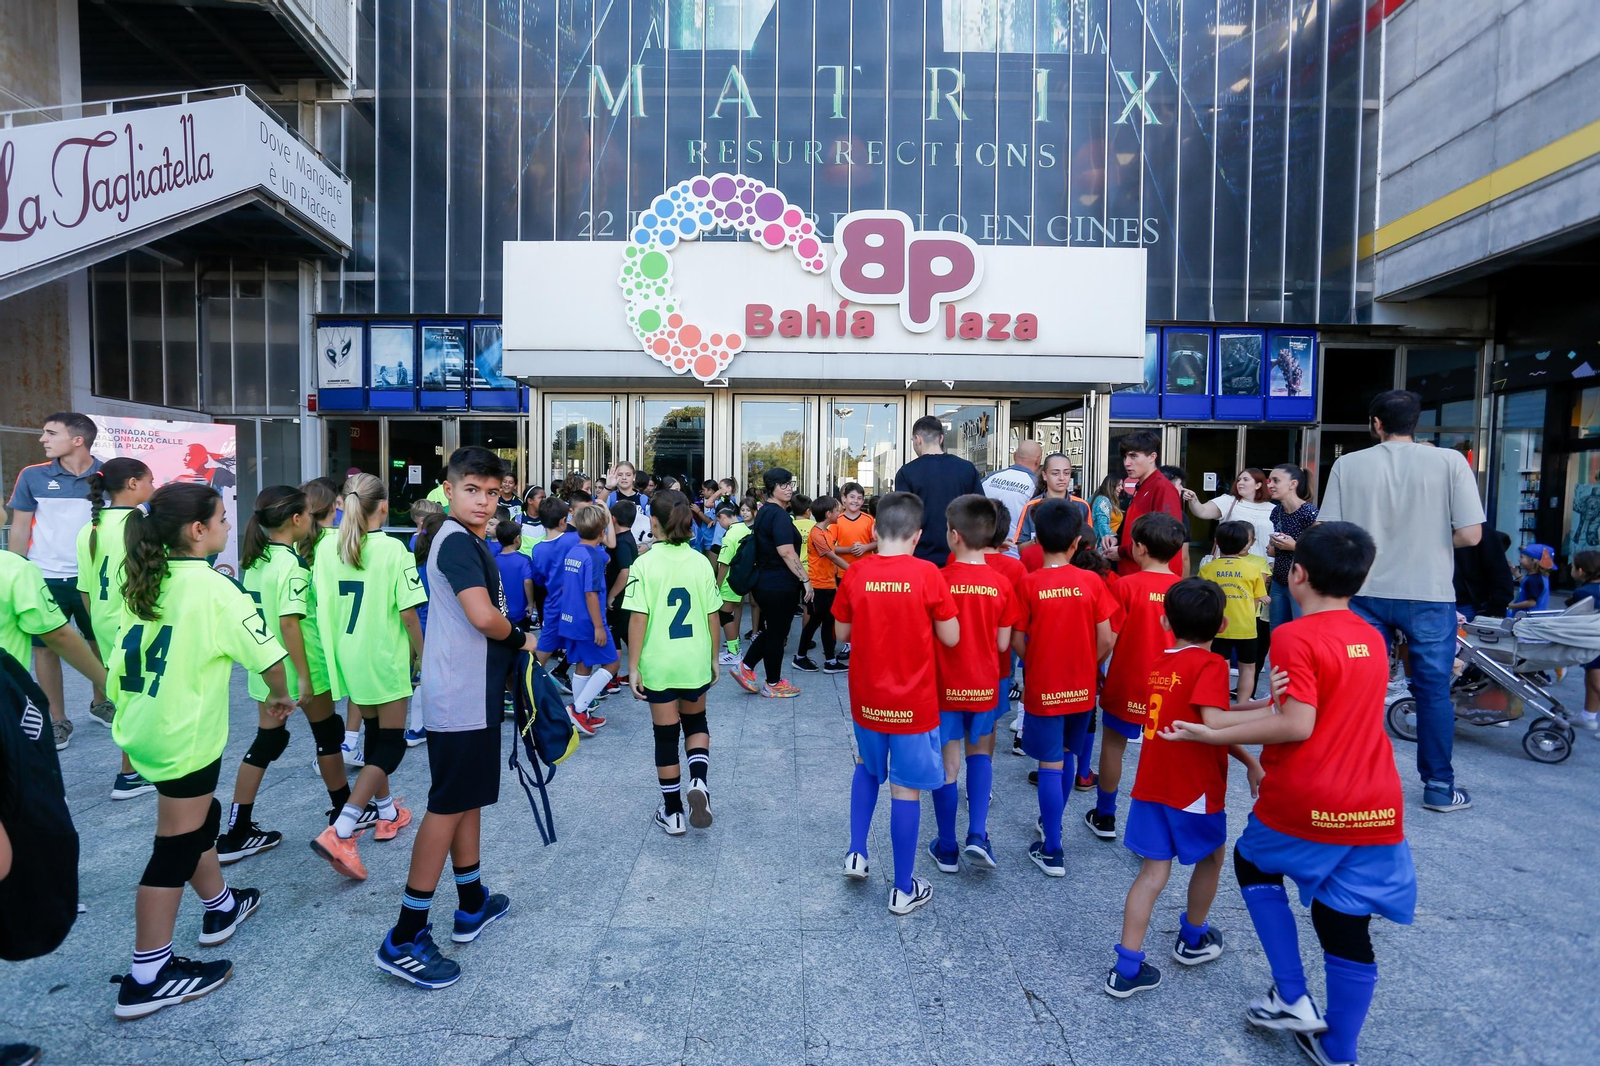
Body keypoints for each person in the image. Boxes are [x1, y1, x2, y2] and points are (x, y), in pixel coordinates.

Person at [1163, 522, 1416, 1066]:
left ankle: (1292, 993)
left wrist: (1216, 734)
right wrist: (1252, 711)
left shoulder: (1295, 636)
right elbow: (1320, 709)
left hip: (1310, 794)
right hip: (1375, 799)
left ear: (1296, 574)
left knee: (1252, 862)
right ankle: (1339, 1048)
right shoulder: (1369, 635)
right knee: (1344, 918)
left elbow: (1298, 724)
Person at [108, 483, 292, 1018]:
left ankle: (221, 905)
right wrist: (281, 696)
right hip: (183, 733)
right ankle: (149, 972)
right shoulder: (215, 589)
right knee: (176, 844)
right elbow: (268, 657)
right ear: (197, 531)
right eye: (221, 519)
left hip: (146, 724)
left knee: (197, 819)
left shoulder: (146, 576)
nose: (228, 527)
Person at [375, 446, 527, 990]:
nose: (484, 501)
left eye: (492, 492)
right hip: (460, 694)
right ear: (449, 487)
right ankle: (405, 933)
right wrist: (524, 637)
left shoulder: (462, 537)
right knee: (447, 804)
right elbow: (485, 617)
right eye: (472, 490)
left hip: (471, 692)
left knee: (468, 798)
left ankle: (471, 900)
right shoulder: (457, 541)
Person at [1318, 389, 1484, 814]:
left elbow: (1330, 532)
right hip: (1428, 593)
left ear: (1376, 423)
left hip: (1362, 591)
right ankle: (1439, 788)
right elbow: (1470, 535)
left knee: (1356, 688)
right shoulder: (1449, 462)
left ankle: (1350, 784)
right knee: (1432, 693)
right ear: (1418, 422)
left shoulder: (1348, 464)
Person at [1105, 578, 1265, 998]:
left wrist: (1253, 735)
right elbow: (1213, 723)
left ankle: (1126, 967)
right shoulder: (1211, 667)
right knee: (1211, 857)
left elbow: (1205, 719)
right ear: (1224, 624)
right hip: (1193, 789)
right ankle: (1193, 938)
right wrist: (1266, 725)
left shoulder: (1160, 665)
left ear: (1164, 621)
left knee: (1152, 873)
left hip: (1151, 785)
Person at [834, 492, 959, 914]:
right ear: (918, 535)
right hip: (915, 702)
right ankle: (903, 888)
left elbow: (840, 635)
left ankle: (856, 852)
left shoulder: (856, 573)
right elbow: (951, 637)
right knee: (906, 789)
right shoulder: (928, 574)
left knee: (867, 769)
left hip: (867, 698)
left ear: (873, 530)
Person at [216, 486, 350, 865]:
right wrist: (305, 678)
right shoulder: (292, 565)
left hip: (266, 668)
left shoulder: (255, 560)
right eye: (308, 513)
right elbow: (290, 622)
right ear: (296, 519)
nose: (312, 519)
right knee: (328, 736)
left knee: (266, 743)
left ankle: (238, 829)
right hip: (298, 667)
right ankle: (345, 813)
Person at [308, 474, 427, 880]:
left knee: (375, 738)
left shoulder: (327, 546)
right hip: (383, 656)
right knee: (391, 746)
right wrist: (424, 656)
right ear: (383, 507)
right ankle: (342, 829)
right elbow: (409, 613)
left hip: (347, 655)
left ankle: (388, 810)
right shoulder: (393, 549)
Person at [1014, 499, 1116, 877]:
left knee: (1049, 763)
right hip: (1082, 688)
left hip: (1045, 687)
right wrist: (1088, 663)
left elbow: (1017, 638)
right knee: (1071, 755)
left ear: (1037, 540)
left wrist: (1036, 661)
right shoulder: (1091, 581)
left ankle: (1053, 848)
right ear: (1077, 543)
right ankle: (1051, 825)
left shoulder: (1028, 582)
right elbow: (1107, 637)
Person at [928, 495, 1021, 874]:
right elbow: (1003, 645)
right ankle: (978, 835)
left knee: (948, 766)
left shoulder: (938, 579)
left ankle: (946, 847)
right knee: (980, 756)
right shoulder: (1002, 583)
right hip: (985, 684)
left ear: (953, 536)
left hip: (944, 686)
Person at [623, 490, 722, 836]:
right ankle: (699, 779)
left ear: (653, 523)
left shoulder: (643, 563)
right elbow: (713, 616)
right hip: (693, 656)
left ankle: (674, 813)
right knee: (696, 722)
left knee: (665, 737)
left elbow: (638, 619)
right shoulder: (700, 563)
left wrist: (633, 667)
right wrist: (713, 657)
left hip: (659, 661)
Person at [6, 412, 107, 751]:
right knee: (44, 649)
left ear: (78, 439)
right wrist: (20, 573)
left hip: (93, 579)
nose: (42, 439)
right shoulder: (32, 476)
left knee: (100, 642)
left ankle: (102, 703)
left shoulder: (109, 474)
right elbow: (19, 528)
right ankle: (57, 719)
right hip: (43, 577)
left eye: (51, 433)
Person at [1088, 512, 1187, 841]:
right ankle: (1153, 826)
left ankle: (1105, 816)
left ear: (1140, 548)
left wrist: (1094, 666)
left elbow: (1109, 636)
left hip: (1128, 678)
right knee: (1161, 754)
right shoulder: (1183, 589)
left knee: (1113, 746)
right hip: (1171, 687)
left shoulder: (1125, 586)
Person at [75, 458, 157, 798]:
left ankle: (135, 768)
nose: (154, 487)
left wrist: (100, 622)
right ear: (134, 484)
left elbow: (84, 591)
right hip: (138, 621)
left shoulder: (90, 528)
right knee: (140, 697)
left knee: (127, 696)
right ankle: (130, 773)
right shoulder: (140, 525)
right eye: (150, 480)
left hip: (106, 622)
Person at [730, 469, 811, 699]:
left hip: (766, 582)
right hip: (778, 583)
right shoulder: (779, 515)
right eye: (782, 484)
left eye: (790, 484)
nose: (788, 488)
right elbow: (786, 551)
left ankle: (745, 667)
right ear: (771, 487)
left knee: (773, 630)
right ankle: (772, 683)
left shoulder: (766, 511)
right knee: (777, 634)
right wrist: (806, 579)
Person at [298, 477, 358, 768]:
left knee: (323, 721)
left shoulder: (295, 543)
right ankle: (347, 745)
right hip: (340, 628)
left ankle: (334, 750)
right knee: (355, 694)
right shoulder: (339, 540)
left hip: (309, 635)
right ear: (332, 506)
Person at [557, 503, 619, 734]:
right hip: (588, 621)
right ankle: (578, 708)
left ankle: (581, 712)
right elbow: (591, 593)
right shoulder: (594, 557)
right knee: (612, 662)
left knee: (584, 663)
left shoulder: (574, 551)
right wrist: (598, 627)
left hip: (570, 618)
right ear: (603, 532)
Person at [895, 416, 983, 567]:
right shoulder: (967, 468)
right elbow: (980, 513)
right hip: (961, 556)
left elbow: (903, 521)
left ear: (917, 439)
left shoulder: (906, 472)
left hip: (920, 559)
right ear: (941, 438)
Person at [1200, 522, 1270, 704]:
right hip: (1247, 627)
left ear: (1216, 541)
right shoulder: (1253, 569)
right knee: (1248, 668)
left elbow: (1203, 598)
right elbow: (1258, 599)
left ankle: (1220, 701)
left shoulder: (1207, 569)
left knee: (1220, 667)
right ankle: (1243, 705)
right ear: (1246, 544)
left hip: (1218, 626)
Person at [1115, 431, 1185, 577]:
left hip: (1152, 581)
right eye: (1125, 457)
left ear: (1152, 457)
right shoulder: (1143, 486)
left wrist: (1121, 551)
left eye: (1133, 456)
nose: (1127, 463)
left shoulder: (1162, 487)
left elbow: (1165, 537)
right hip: (1136, 575)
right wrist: (1116, 540)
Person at [796, 496, 850, 673]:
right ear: (828, 514)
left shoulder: (825, 532)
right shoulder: (817, 533)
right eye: (837, 509)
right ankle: (801, 657)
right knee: (816, 622)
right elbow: (832, 557)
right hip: (819, 586)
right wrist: (854, 570)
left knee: (827, 621)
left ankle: (830, 661)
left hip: (827, 585)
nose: (840, 511)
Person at [1265, 465, 1318, 629]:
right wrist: (1274, 547)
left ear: (1293, 484)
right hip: (1279, 581)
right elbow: (1276, 545)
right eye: (1269, 480)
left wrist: (1294, 546)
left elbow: (1319, 550)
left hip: (1301, 582)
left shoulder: (1309, 512)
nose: (1270, 485)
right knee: (1277, 631)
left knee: (1300, 630)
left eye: (1276, 481)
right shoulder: (1277, 511)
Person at [1181, 468, 1275, 560]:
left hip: (1262, 566)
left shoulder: (1273, 509)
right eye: (1239, 480)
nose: (1240, 483)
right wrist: (1193, 499)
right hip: (1229, 565)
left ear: (1258, 485)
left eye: (1245, 479)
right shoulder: (1227, 501)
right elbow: (1202, 511)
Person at [1014, 452, 1090, 548]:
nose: (1062, 478)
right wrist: (1037, 540)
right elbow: (1021, 547)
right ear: (1044, 475)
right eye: (1055, 473)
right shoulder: (1031, 506)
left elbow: (1088, 543)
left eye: (1066, 473)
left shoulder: (1082, 506)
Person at [981, 440, 1043, 556]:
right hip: (1016, 556)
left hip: (986, 554)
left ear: (1014, 456)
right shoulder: (1035, 486)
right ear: (1038, 460)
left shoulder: (989, 478)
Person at [605, 500, 641, 690]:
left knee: (613, 636)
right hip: (626, 597)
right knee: (626, 633)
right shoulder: (627, 537)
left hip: (619, 598)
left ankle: (610, 678)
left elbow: (625, 572)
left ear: (613, 519)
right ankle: (641, 671)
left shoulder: (621, 542)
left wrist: (611, 595)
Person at [713, 501, 753, 664]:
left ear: (722, 517)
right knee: (730, 614)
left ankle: (734, 653)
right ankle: (734, 650)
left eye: (718, 521)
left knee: (724, 615)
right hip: (742, 578)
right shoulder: (745, 528)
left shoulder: (730, 535)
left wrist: (717, 584)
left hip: (729, 581)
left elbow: (724, 562)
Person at [1566, 550, 1600, 733]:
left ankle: (1589, 716)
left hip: (1594, 642)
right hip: (1595, 640)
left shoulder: (1583, 592)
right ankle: (1588, 715)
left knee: (1596, 682)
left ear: (1580, 571)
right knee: (1590, 679)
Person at [1453, 520, 1513, 621]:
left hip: (1467, 603)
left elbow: (1498, 570)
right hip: (1434, 600)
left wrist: (1497, 608)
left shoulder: (1482, 530)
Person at [1507, 543, 1554, 616]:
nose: (1519, 559)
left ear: (1533, 560)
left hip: (1527, 619)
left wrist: (1509, 606)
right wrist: (1515, 572)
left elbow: (1531, 602)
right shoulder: (1538, 577)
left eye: (1522, 557)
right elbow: (1526, 585)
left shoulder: (1534, 580)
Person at [1091, 472, 1126, 555]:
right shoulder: (1103, 500)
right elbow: (1103, 525)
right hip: (1104, 547)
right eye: (1118, 485)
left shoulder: (1107, 500)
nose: (1121, 488)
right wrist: (1112, 541)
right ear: (1111, 486)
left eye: (1122, 485)